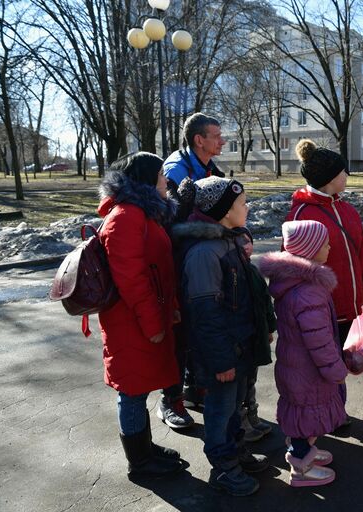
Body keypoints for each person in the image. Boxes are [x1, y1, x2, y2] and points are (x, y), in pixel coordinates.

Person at [173, 176, 271, 496]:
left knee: (234, 408)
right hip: (222, 353)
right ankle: (224, 467)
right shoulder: (204, 254)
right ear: (224, 210)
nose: (247, 207)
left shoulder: (227, 241)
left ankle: (236, 453)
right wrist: (221, 358)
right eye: (242, 203)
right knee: (219, 409)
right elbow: (205, 315)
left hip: (239, 346)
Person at [96, 152, 183, 478]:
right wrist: (153, 325)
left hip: (143, 319)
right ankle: (139, 463)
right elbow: (131, 279)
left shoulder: (141, 213)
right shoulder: (126, 217)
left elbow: (157, 268)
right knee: (131, 393)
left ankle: (144, 449)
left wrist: (169, 311)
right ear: (146, 180)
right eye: (161, 175)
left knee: (140, 388)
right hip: (131, 323)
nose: (167, 181)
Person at [285, 139, 363, 428]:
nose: (347, 176)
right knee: (324, 365)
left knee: (340, 364)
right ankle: (332, 415)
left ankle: (336, 410)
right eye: (344, 172)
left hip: (349, 305)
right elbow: (292, 268)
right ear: (330, 178)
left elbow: (360, 258)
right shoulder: (301, 214)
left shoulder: (347, 210)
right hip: (319, 310)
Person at [259, 220, 348, 487]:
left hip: (295, 366)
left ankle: (306, 452)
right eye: (325, 243)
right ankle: (301, 468)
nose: (330, 246)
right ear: (310, 250)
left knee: (304, 414)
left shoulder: (295, 282)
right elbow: (319, 341)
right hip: (308, 370)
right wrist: (336, 370)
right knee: (306, 417)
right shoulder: (309, 293)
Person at [158, 112, 226, 426]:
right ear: (199, 140)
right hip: (179, 263)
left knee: (200, 328)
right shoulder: (175, 171)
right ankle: (170, 400)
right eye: (216, 135)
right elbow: (173, 224)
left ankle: (194, 388)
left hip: (199, 258)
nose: (221, 140)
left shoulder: (210, 167)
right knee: (181, 333)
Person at [237, 227, 276, 443]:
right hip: (243, 337)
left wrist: (270, 328)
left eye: (249, 240)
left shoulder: (254, 271)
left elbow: (265, 301)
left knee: (251, 378)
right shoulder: (235, 271)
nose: (247, 245)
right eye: (241, 241)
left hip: (257, 335)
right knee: (242, 382)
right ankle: (242, 421)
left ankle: (252, 415)